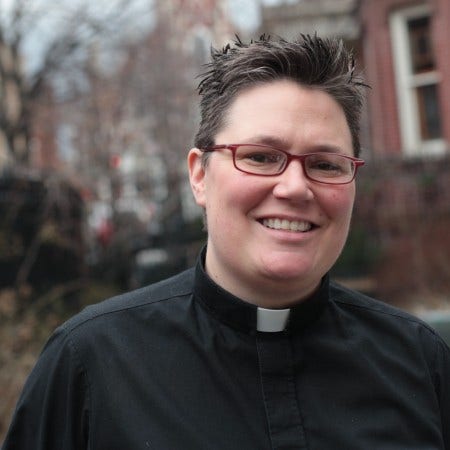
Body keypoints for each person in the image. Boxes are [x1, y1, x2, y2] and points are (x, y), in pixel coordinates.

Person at [2, 34, 449, 450]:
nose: (295, 188)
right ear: (199, 175)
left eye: (326, 164)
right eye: (260, 157)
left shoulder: (420, 364)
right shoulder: (89, 364)